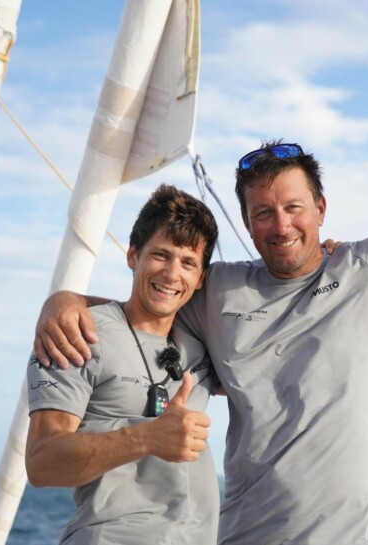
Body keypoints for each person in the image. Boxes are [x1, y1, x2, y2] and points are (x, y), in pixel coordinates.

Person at [34, 29, 368, 545]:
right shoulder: (219, 290)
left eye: (294, 208)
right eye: (263, 213)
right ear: (248, 224)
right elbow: (153, 301)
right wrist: (68, 301)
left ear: (320, 209)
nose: (281, 225)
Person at [25, 184, 221, 544]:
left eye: (188, 263)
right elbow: (41, 462)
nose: (172, 274)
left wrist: (329, 256)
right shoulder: (76, 333)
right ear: (133, 255)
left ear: (200, 279)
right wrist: (147, 437)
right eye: (161, 255)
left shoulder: (201, 342)